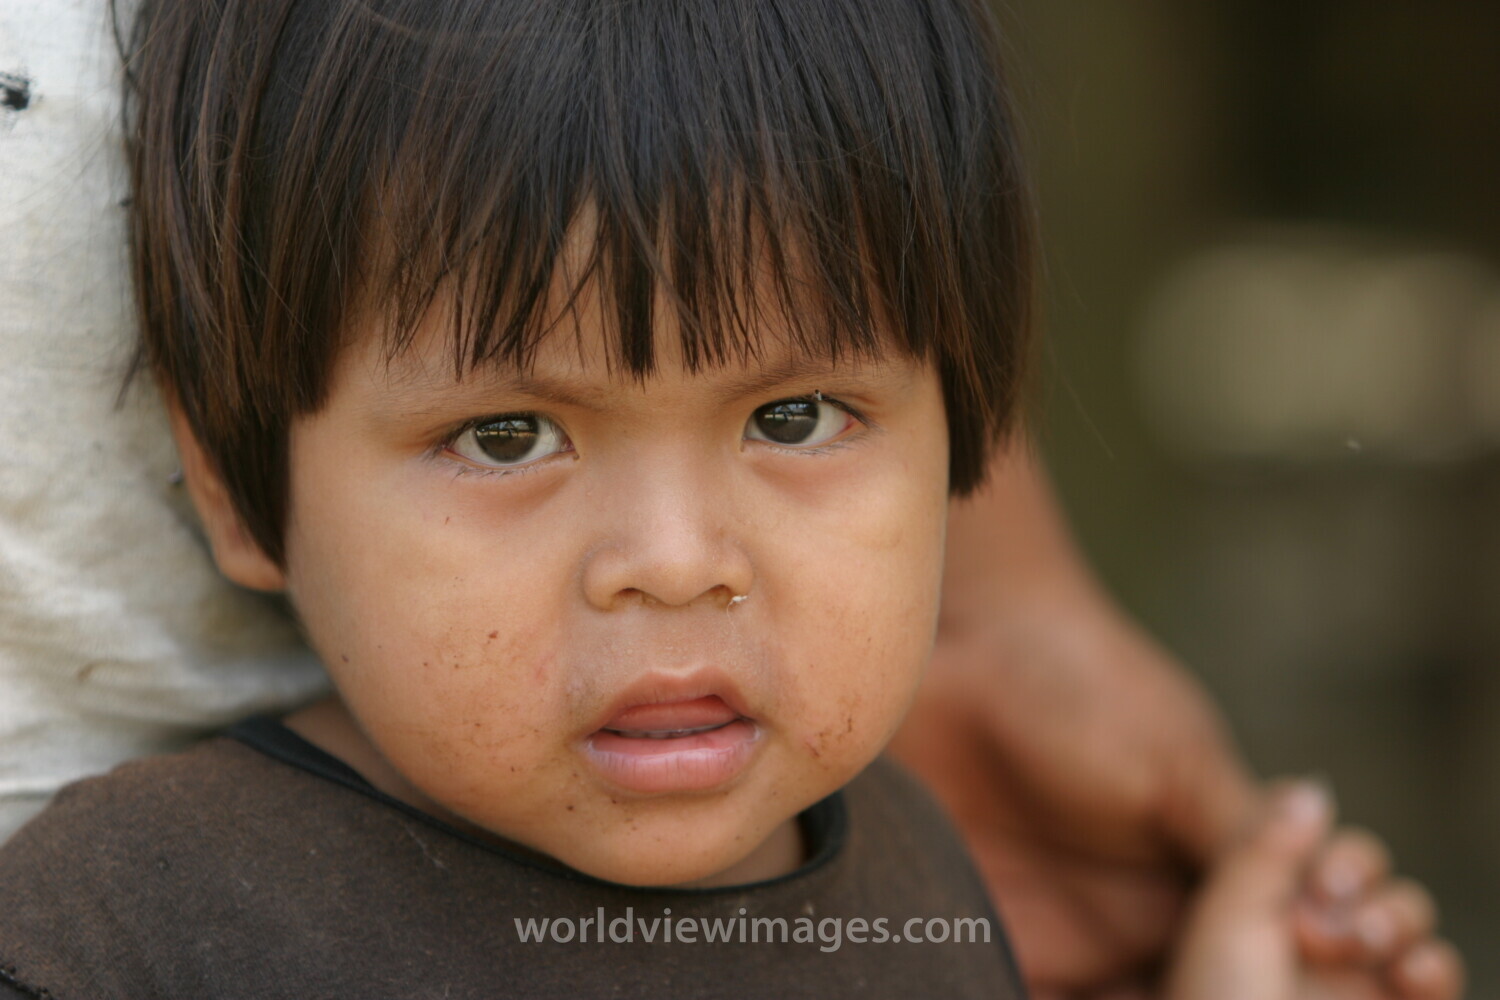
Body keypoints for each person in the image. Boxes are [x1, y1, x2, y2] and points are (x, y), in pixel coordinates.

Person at [0, 0, 1462, 997]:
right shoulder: (138, 920)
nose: (677, 563)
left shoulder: (925, 888)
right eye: (507, 436)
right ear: (234, 483)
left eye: (795, 416)